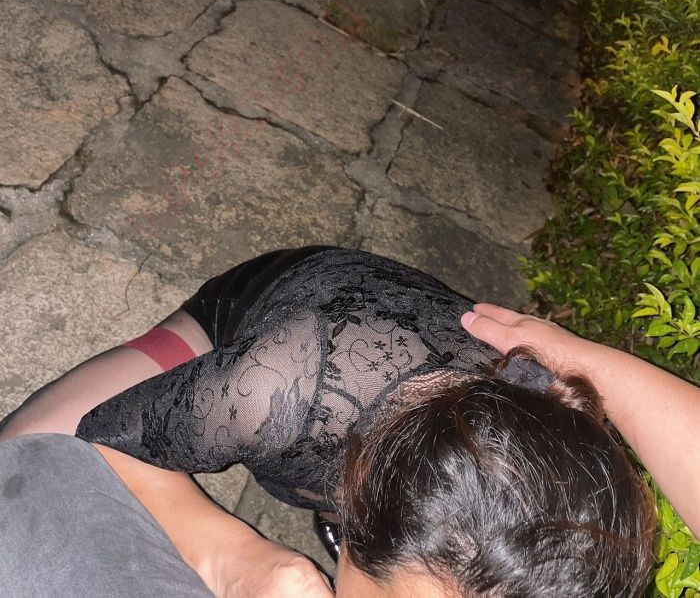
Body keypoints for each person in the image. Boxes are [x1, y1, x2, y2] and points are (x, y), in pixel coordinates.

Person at [0, 245, 670, 596]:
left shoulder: (581, 511)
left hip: (415, 407)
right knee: (27, 451)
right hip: (262, 310)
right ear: (356, 522)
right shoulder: (277, 388)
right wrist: (239, 557)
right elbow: (99, 441)